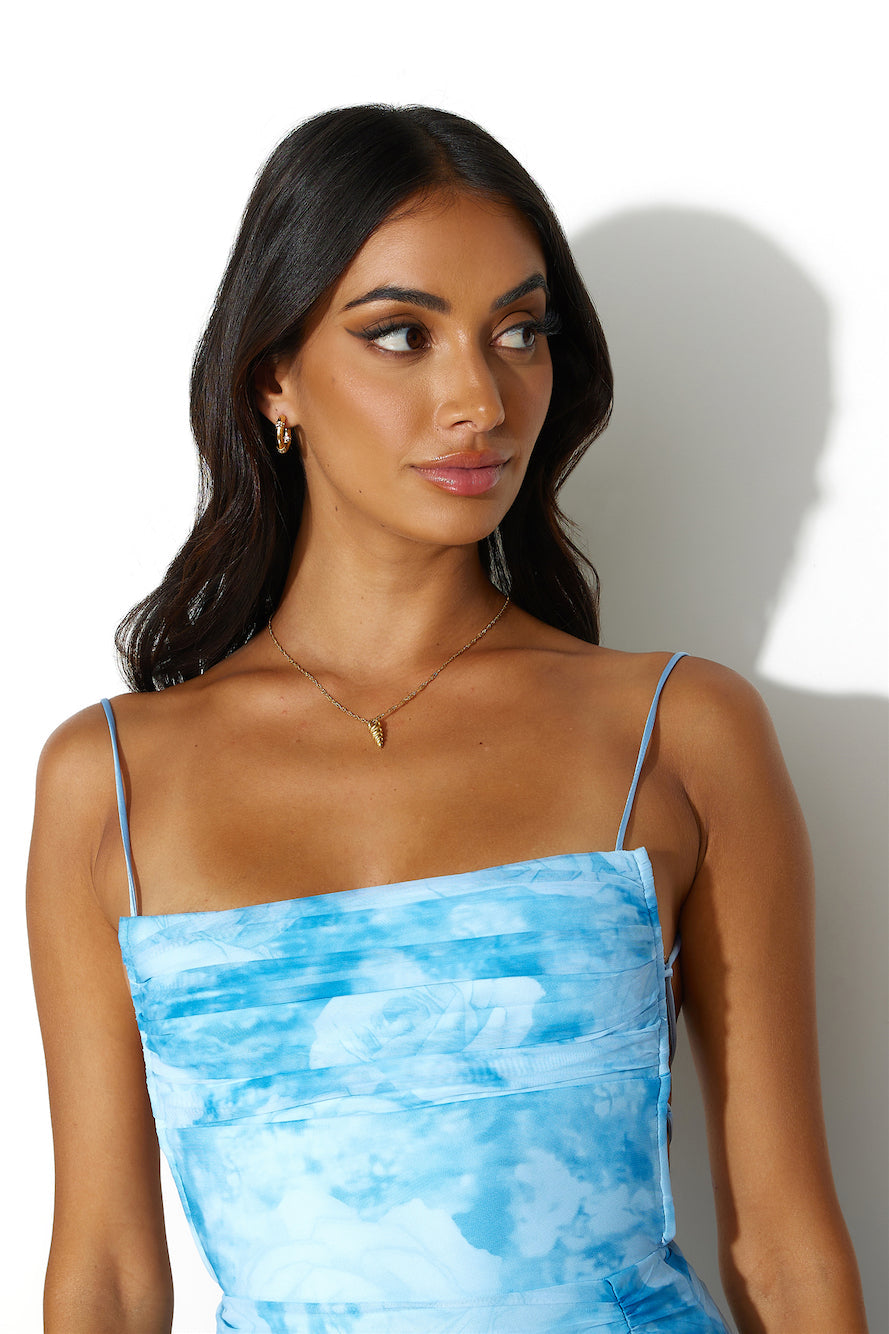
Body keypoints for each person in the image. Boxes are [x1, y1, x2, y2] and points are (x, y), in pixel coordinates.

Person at [27, 105, 867, 1334]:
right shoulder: (106, 778)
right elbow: (104, 1272)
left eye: (518, 332)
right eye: (401, 335)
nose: (479, 397)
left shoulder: (678, 730)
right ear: (273, 376)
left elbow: (785, 1254)